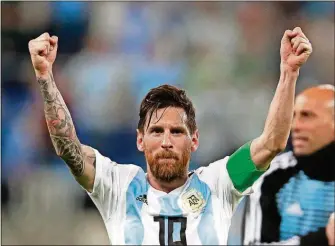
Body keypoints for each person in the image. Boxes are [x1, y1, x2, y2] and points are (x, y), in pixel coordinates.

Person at [28, 27, 312, 245]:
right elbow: (68, 148)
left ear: (195, 140)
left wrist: (288, 73)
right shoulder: (117, 185)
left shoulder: (218, 183)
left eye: (177, 131)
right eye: (156, 131)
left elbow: (272, 143)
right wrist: (45, 77)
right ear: (140, 140)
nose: (166, 141)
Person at [241, 85, 335, 246]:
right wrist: (323, 238)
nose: (295, 126)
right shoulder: (270, 176)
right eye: (294, 116)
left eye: (307, 116)